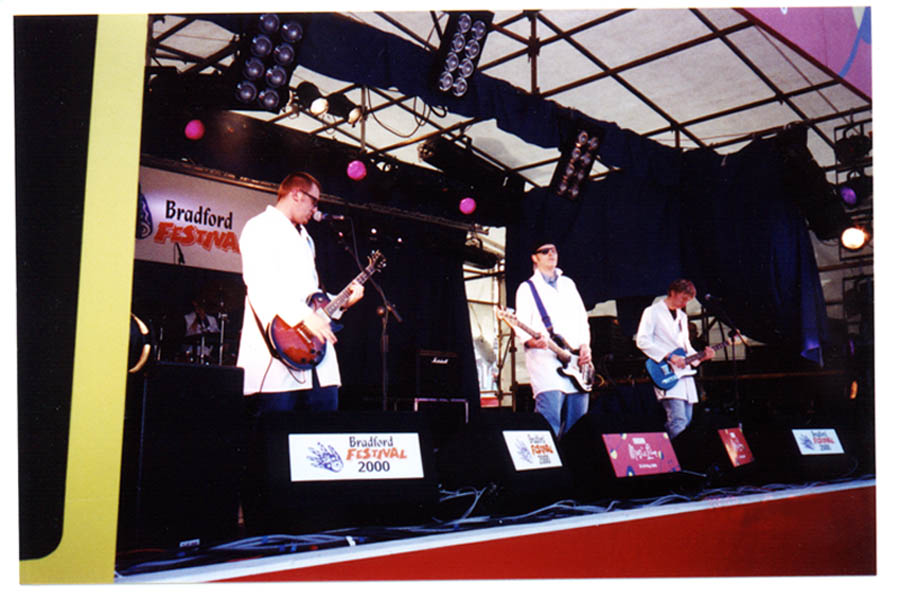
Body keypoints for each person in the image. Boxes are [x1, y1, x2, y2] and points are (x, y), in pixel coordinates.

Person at [236, 171, 364, 414]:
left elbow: (310, 296)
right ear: (296, 194)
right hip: (277, 358)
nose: (315, 210)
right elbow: (260, 283)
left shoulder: (307, 239)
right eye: (313, 202)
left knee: (322, 426)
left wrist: (343, 302)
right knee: (277, 431)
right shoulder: (260, 227)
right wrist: (304, 317)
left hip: (314, 356)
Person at [514, 241, 592, 438]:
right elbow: (520, 326)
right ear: (534, 258)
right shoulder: (527, 288)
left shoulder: (568, 284)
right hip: (546, 363)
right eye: (545, 251)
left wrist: (585, 346)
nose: (551, 254)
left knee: (579, 426)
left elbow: (581, 318)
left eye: (554, 250)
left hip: (575, 362)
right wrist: (533, 342)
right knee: (550, 419)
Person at [635, 279, 714, 438]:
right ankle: (677, 452)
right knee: (677, 421)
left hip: (684, 373)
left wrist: (701, 357)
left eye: (688, 301)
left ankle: (678, 449)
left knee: (687, 421)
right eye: (683, 298)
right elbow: (642, 340)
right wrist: (669, 356)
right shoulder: (652, 311)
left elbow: (686, 347)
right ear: (673, 292)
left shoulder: (682, 317)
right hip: (667, 371)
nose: (684, 303)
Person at [183, 296, 219, 363]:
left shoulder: (212, 319)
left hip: (207, 350)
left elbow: (215, 333)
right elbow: (190, 333)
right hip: (192, 349)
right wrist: (197, 318)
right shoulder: (188, 317)